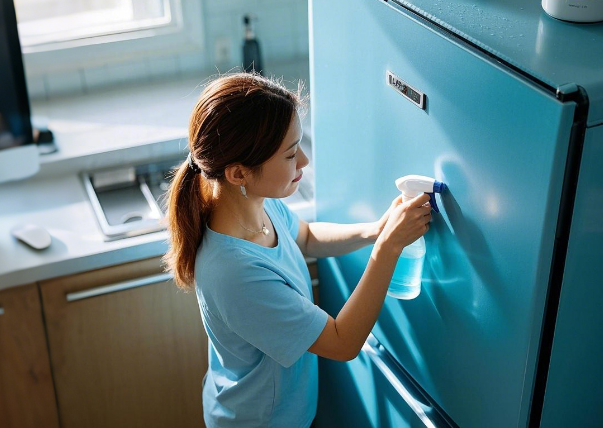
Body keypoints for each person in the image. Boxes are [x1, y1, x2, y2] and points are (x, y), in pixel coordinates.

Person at [164, 73, 432, 428]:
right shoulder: (235, 274)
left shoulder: (254, 204)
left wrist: (375, 230)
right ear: (238, 174)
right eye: (291, 154)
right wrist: (387, 248)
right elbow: (341, 342)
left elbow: (304, 236)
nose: (304, 160)